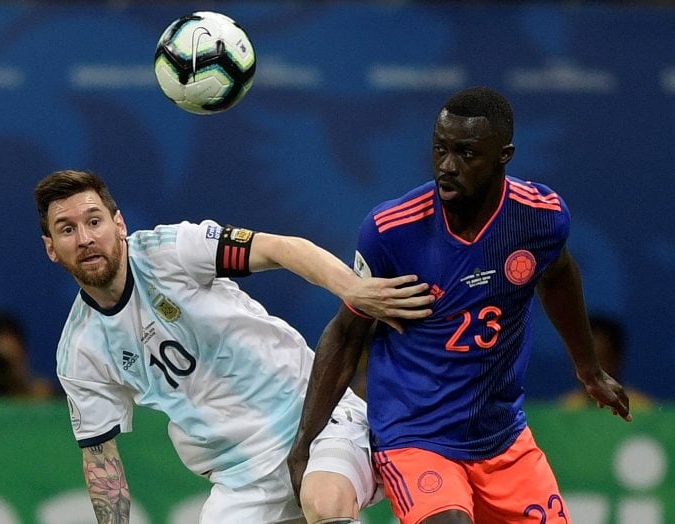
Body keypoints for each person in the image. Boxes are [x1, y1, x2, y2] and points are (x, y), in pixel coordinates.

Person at [288, 86, 632, 524]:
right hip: (415, 435)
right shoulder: (392, 231)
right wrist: (303, 446)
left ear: (503, 155)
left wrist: (588, 369)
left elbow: (559, 275)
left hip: (502, 439)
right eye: (440, 149)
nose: (447, 166)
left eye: (466, 154)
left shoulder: (539, 216)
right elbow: (347, 332)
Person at [33, 169, 435, 524]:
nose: (85, 238)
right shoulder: (80, 351)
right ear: (51, 248)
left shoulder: (171, 250)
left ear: (118, 223)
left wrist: (354, 290)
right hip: (241, 479)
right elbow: (101, 461)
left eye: (94, 221)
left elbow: (280, 248)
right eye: (67, 229)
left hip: (314, 421)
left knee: (324, 502)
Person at [561, 313, 654, 411]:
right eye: (582, 360)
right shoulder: (564, 412)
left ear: (616, 359)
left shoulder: (643, 411)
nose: (589, 369)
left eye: (599, 360)